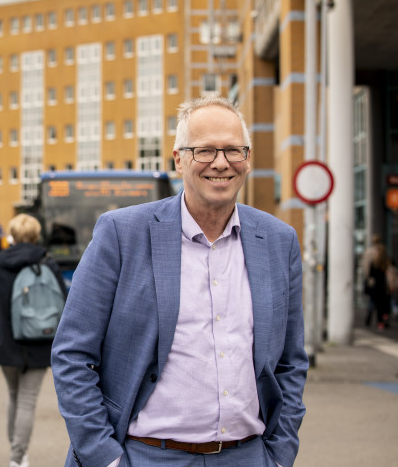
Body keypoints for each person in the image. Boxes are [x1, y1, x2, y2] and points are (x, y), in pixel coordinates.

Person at [51, 96, 308, 467]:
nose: (221, 163)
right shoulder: (122, 234)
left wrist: (280, 454)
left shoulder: (279, 240)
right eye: (204, 151)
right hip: (145, 455)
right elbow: (72, 353)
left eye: (234, 150)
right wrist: (104, 457)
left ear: (247, 159)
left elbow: (291, 361)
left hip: (249, 456)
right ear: (179, 159)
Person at [0, 214, 68, 467]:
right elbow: (65, 302)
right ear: (36, 236)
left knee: (14, 396)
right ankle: (18, 456)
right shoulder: (48, 263)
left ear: (12, 236)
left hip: (6, 343)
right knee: (27, 400)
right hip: (40, 341)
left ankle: (17, 452)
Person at [363, 235, 390, 330]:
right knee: (381, 304)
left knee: (372, 301)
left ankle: (369, 319)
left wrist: (368, 279)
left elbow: (367, 270)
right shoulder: (384, 255)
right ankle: (381, 322)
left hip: (374, 284)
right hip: (382, 284)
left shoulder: (370, 254)